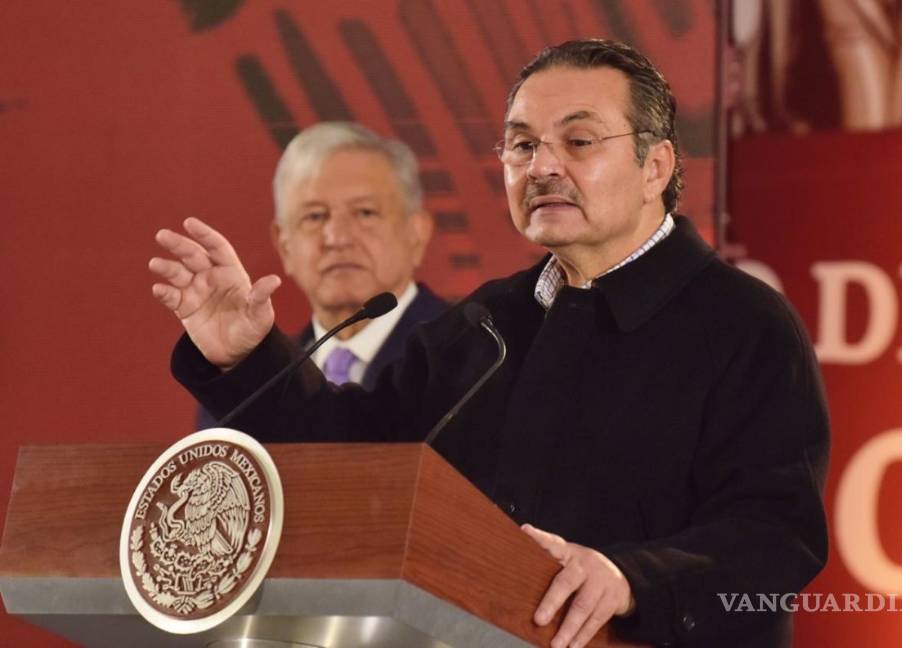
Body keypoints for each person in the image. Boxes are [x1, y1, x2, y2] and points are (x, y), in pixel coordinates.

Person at [151, 40, 829, 647]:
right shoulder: (490, 321)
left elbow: (775, 537)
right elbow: (353, 458)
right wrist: (245, 355)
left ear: (655, 166)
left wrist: (630, 580)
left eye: (578, 141)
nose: (542, 167)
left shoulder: (743, 323)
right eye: (522, 145)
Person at [195, 122, 446, 428]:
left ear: (417, 233)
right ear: (284, 245)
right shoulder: (255, 383)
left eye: (365, 212)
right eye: (314, 216)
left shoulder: (469, 357)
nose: (337, 238)